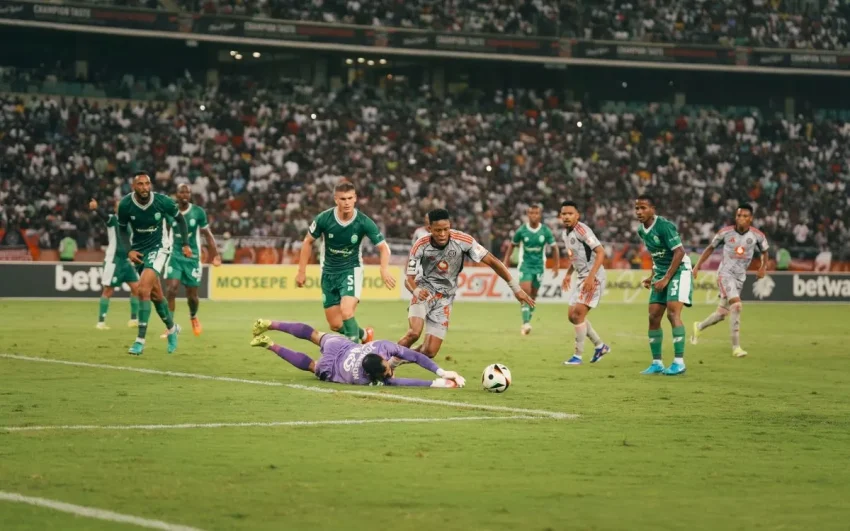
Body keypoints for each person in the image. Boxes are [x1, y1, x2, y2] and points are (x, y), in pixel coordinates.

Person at [399, 208, 535, 359]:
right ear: (429, 229)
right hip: (424, 291)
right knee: (414, 333)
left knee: (429, 351)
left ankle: (394, 360)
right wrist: (416, 291)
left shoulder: (463, 241)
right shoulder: (420, 244)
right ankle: (385, 362)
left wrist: (516, 288)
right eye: (438, 230)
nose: (442, 234)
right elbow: (408, 278)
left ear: (450, 226)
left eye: (446, 229)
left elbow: (493, 261)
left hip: (445, 298)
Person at [296, 181, 396, 343]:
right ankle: (365, 335)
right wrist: (301, 271)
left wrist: (383, 269)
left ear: (355, 198)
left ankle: (353, 354)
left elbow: (384, 248)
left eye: (350, 198)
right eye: (343, 199)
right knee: (335, 324)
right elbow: (307, 241)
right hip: (328, 272)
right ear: (336, 199)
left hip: (351, 270)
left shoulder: (363, 222)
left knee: (347, 312)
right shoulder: (324, 218)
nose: (347, 202)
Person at [250, 319, 466, 388]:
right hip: (332, 367)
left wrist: (442, 372)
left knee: (313, 335)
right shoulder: (365, 378)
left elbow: (415, 356)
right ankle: (269, 344)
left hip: (340, 347)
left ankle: (271, 324)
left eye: (387, 368)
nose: (390, 372)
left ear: (381, 357)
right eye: (387, 372)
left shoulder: (381, 349)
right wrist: (438, 383)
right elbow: (401, 382)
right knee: (313, 366)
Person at [117, 173, 192, 355]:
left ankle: (139, 341)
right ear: (134, 186)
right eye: (140, 184)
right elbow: (122, 229)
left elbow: (180, 219)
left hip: (159, 248)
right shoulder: (125, 205)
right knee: (156, 295)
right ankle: (172, 329)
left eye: (147, 184)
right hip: (139, 251)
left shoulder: (162, 201)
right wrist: (129, 250)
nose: (144, 187)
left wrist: (185, 244)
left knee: (143, 290)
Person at [691, 204, 769, 357]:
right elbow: (710, 248)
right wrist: (697, 266)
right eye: (739, 215)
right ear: (735, 217)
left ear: (751, 218)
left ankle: (698, 326)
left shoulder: (757, 235)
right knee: (737, 306)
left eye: (745, 216)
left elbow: (765, 251)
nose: (741, 218)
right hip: (725, 274)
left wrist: (763, 267)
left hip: (740, 277)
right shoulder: (725, 232)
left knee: (721, 314)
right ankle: (736, 347)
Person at [634, 194, 692, 376]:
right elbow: (656, 254)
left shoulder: (664, 226)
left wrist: (666, 278)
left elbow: (679, 252)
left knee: (673, 313)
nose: (639, 211)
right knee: (653, 316)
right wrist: (653, 276)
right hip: (660, 273)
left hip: (679, 270)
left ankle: (679, 363)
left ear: (653, 210)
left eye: (643, 208)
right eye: (637, 208)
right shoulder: (641, 230)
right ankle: (657, 363)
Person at [161, 184, 221, 338]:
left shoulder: (198, 212)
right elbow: (162, 231)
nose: (185, 195)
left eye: (187, 192)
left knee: (192, 296)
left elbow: (208, 234)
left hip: (192, 258)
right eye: (182, 192)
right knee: (171, 289)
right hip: (174, 256)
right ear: (176, 194)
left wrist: (215, 254)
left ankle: (193, 316)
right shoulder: (170, 212)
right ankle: (170, 326)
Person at [559, 201, 611, 365]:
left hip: (593, 277)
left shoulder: (582, 230)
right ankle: (600, 346)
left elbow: (601, 252)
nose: (567, 217)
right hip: (582, 277)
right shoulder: (565, 234)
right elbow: (575, 257)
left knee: (578, 315)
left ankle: (578, 356)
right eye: (564, 214)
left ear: (577, 215)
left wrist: (591, 277)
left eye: (570, 214)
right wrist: (568, 274)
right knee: (572, 316)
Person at [501, 204, 559, 335]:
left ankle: (527, 319)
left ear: (540, 215)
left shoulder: (545, 231)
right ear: (528, 215)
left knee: (533, 295)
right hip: (525, 265)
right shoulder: (522, 230)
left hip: (539, 267)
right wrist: (506, 260)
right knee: (525, 292)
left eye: (536, 213)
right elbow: (512, 245)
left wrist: (556, 265)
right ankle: (526, 323)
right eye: (531, 213)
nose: (534, 215)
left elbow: (554, 247)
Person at [89, 198, 140, 330]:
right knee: (108, 290)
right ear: (116, 209)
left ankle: (133, 320)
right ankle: (101, 322)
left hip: (127, 261)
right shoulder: (113, 220)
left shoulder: (131, 223)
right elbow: (104, 216)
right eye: (120, 206)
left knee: (136, 288)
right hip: (114, 261)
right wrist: (96, 208)